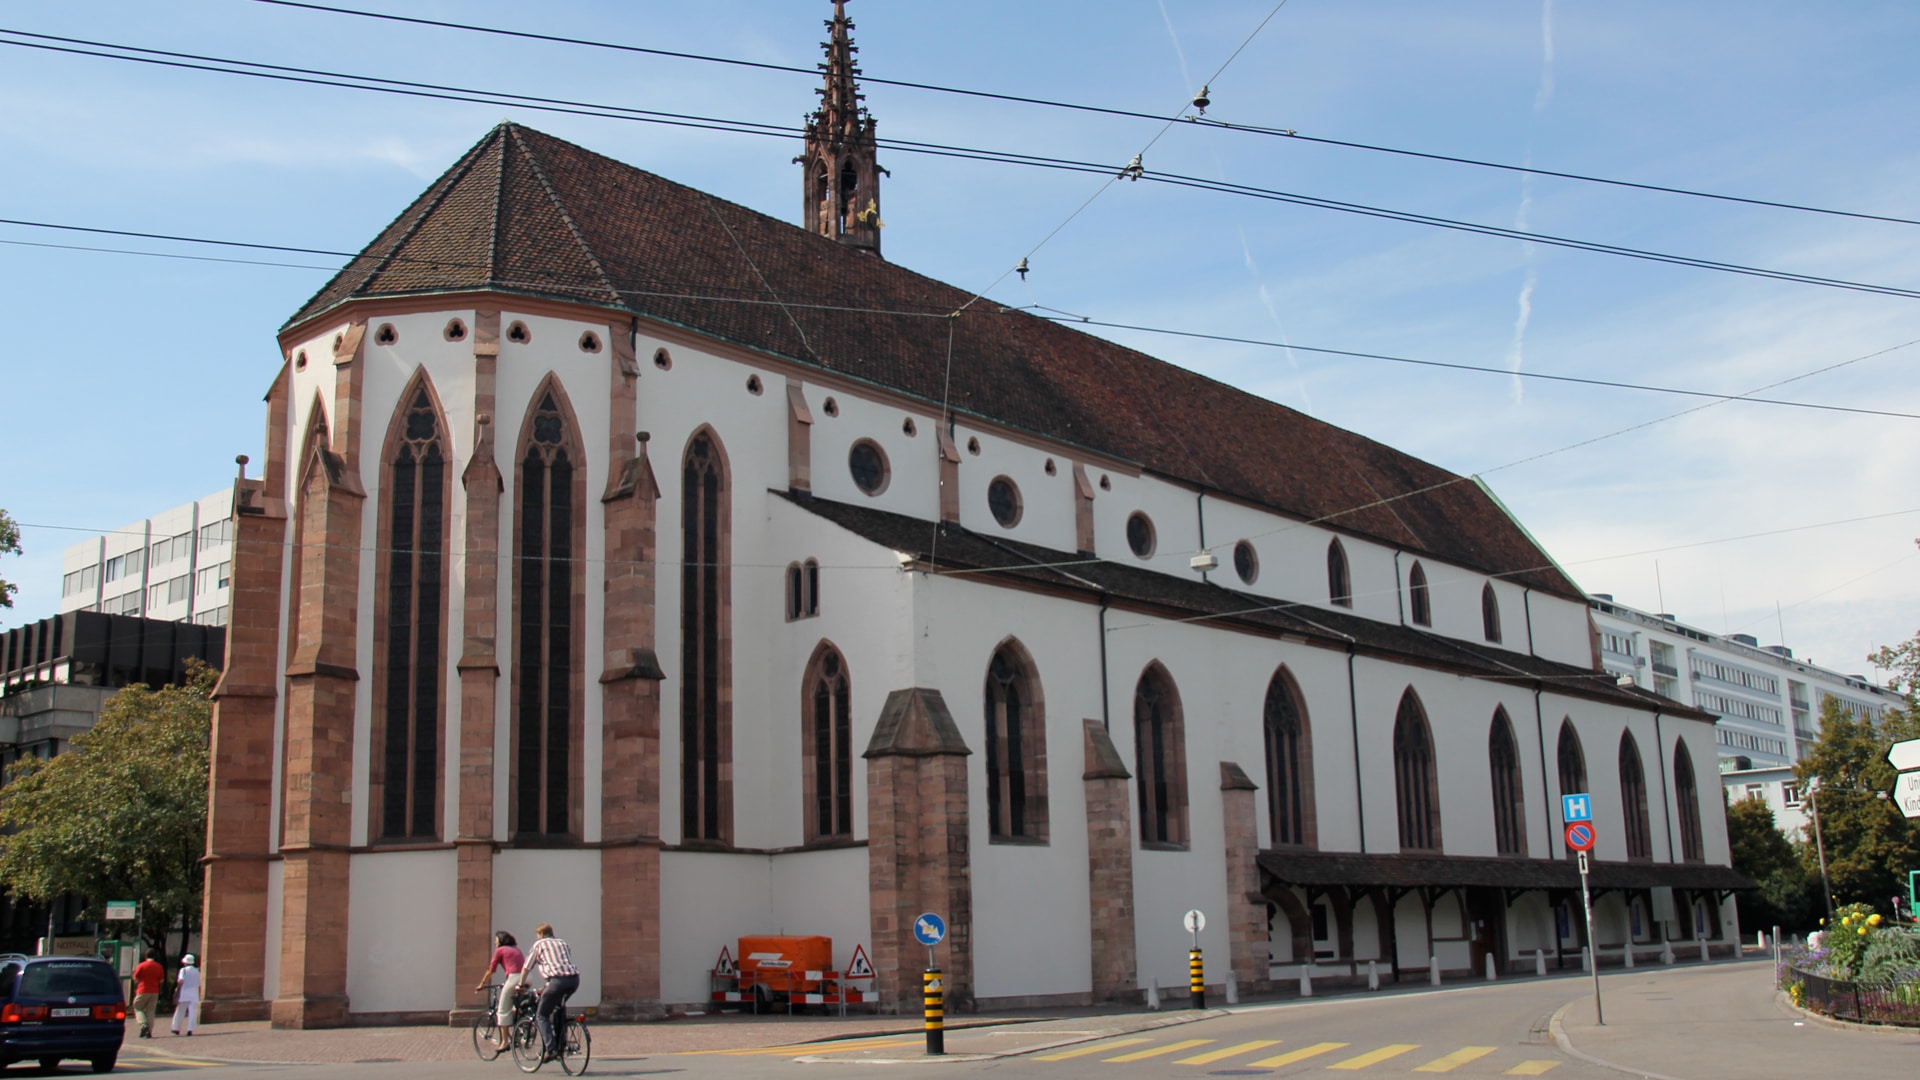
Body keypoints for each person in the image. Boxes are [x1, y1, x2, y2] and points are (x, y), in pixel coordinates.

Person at [523, 924, 580, 1062]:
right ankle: (562, 1043)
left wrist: (520, 984)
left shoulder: (539, 944)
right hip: (574, 980)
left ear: (541, 934)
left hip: (556, 982)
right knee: (559, 1008)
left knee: (541, 1015)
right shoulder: (563, 943)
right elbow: (562, 963)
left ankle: (551, 1049)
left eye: (538, 935)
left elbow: (526, 967)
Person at [474, 930, 526, 1028]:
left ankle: (504, 1041)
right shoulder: (516, 949)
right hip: (527, 977)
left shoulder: (500, 950)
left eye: (496, 940)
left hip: (514, 978)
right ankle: (523, 1025)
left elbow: (491, 970)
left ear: (501, 940)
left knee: (502, 1011)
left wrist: (482, 983)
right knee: (516, 1005)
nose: (495, 942)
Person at [131, 950, 164, 1039]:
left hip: (143, 989)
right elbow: (161, 980)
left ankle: (143, 1024)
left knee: (137, 1007)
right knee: (150, 1011)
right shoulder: (159, 966)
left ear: (146, 956)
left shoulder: (141, 965)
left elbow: (136, 978)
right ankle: (149, 1031)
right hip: (154, 991)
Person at [170, 954, 201, 1036]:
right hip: (194, 993)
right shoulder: (197, 971)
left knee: (180, 1011)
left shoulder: (183, 970)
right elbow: (199, 983)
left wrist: (177, 988)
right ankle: (190, 1029)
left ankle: (176, 1028)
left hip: (184, 993)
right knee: (192, 1012)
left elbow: (180, 980)